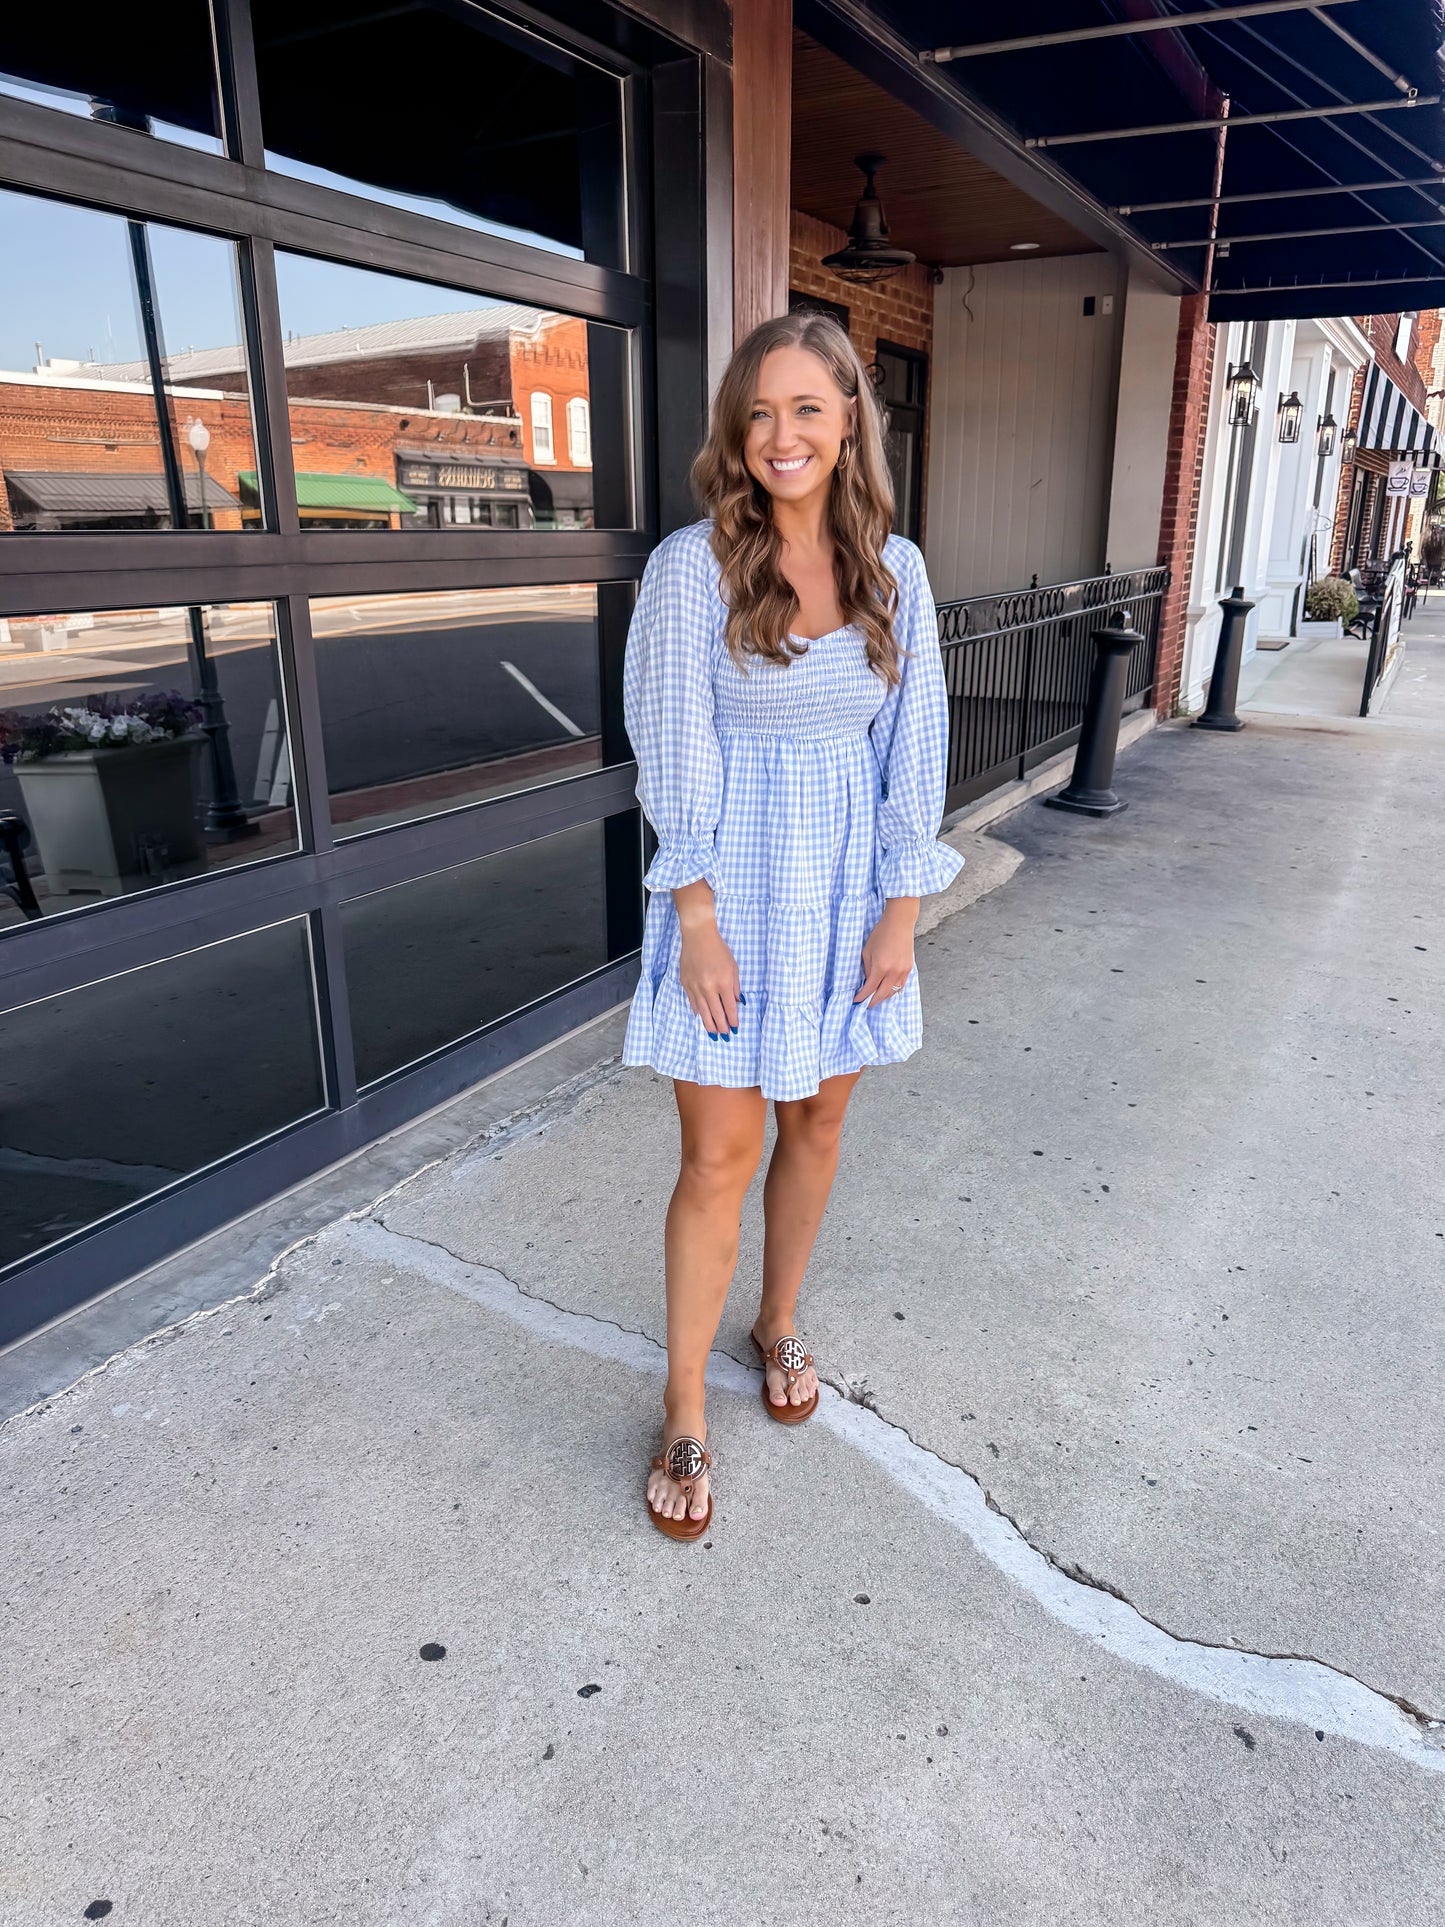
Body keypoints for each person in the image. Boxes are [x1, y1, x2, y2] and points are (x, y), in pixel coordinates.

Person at [623, 310, 963, 1541]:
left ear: (847, 422)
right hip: (732, 895)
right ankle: (681, 1408)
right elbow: (672, 747)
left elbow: (911, 748)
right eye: (759, 411)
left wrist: (900, 913)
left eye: (807, 409)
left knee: (816, 1120)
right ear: (736, 426)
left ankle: (777, 1319)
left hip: (843, 903)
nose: (782, 435)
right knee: (717, 1156)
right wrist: (696, 917)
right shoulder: (690, 568)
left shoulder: (895, 570)